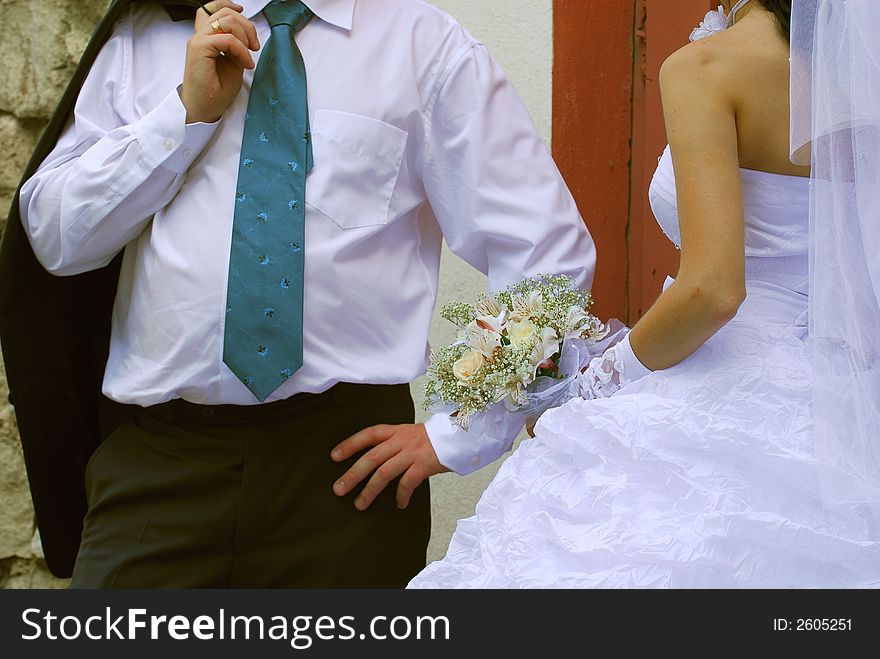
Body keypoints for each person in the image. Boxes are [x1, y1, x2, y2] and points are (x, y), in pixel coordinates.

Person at [8, 0, 595, 587]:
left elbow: (546, 253)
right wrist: (182, 116)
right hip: (160, 464)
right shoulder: (146, 38)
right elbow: (58, 242)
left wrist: (460, 431)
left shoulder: (425, 46)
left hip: (348, 477)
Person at [410, 0, 880, 589]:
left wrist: (600, 377)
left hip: (728, 376)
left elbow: (712, 291)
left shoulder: (710, 67)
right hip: (850, 404)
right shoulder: (862, 76)